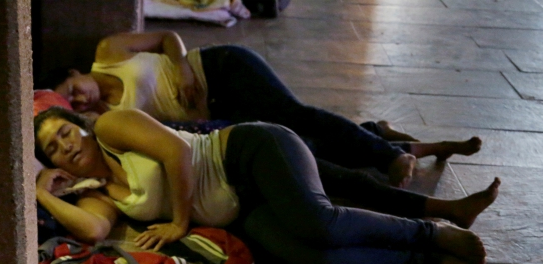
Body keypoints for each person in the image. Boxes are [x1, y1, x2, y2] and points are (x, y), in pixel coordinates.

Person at [34, 107, 497, 264]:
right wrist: (38, 191)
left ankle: (432, 233)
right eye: (52, 147)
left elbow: (178, 151)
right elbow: (93, 229)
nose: (65, 145)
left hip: (247, 153)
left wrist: (178, 221)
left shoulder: (113, 126)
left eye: (65, 131)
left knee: (316, 223)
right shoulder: (99, 193)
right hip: (241, 209)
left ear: (82, 125)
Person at [41, 31, 484, 188]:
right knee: (297, 142)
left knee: (296, 115)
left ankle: (389, 155)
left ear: (78, 70)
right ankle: (388, 138)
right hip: (218, 113)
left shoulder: (109, 51)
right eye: (71, 102)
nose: (78, 98)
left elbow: (166, 37)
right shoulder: (104, 120)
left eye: (72, 87)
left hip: (222, 69)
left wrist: (181, 66)